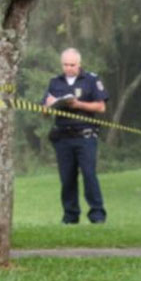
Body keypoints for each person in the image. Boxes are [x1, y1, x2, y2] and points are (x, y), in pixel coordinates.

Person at [43, 48, 108, 224]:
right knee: (67, 178)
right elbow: (44, 112)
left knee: (89, 175)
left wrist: (78, 104)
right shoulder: (54, 82)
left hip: (85, 136)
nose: (69, 68)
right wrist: (50, 106)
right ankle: (70, 217)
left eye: (72, 65)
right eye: (65, 64)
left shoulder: (91, 80)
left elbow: (101, 107)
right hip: (63, 137)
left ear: (79, 64)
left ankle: (97, 215)